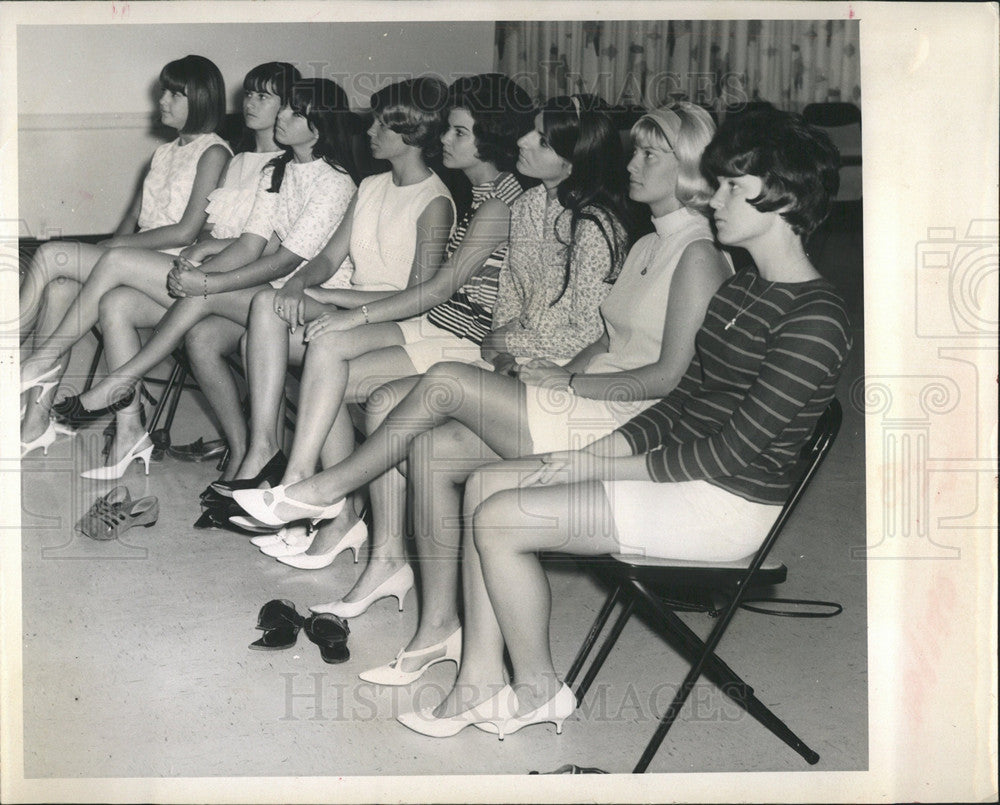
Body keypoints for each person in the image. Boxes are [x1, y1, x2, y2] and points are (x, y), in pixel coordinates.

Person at [392, 107, 853, 738]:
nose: (713, 198)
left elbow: (730, 452)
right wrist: (602, 448)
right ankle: (478, 681)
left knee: (499, 518)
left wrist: (596, 461)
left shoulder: (817, 319)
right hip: (679, 479)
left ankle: (537, 690)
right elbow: (680, 402)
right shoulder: (743, 291)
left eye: (732, 189)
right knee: (483, 484)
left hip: (724, 504)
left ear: (786, 199)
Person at [358, 102, 733, 686]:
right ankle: (437, 629)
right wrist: (554, 369)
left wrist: (571, 381)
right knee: (431, 454)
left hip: (626, 419)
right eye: (634, 151)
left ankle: (323, 489)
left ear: (688, 167)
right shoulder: (648, 243)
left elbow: (669, 379)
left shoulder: (700, 256)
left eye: (649, 154)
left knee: (446, 381)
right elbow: (607, 337)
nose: (631, 163)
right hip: (589, 396)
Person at [231, 94, 633, 587]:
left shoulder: (512, 207)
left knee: (349, 376)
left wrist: (354, 314)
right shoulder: (516, 202)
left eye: (458, 131)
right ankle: (323, 502)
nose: (445, 137)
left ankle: (335, 510)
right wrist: (505, 340)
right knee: (325, 360)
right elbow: (509, 303)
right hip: (468, 334)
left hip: (472, 342)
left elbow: (462, 296)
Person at [51, 77, 362, 479]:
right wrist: (199, 273)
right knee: (200, 338)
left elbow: (285, 262)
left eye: (293, 111)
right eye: (283, 107)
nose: (282, 115)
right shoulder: (277, 169)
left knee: (200, 296)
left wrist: (207, 283)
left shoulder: (334, 182)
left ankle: (120, 383)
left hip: (314, 303)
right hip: (268, 295)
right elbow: (252, 245)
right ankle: (239, 450)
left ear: (318, 127)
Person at [195, 75, 455, 520]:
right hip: (350, 305)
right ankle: (266, 452)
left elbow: (417, 297)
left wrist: (327, 299)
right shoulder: (371, 185)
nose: (369, 131)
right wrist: (298, 284)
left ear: (410, 136)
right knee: (267, 307)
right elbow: (330, 257)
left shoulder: (435, 202)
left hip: (395, 322)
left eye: (380, 126)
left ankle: (301, 484)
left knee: (279, 330)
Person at [19, 55, 231, 453]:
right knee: (62, 287)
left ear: (200, 99)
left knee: (50, 256)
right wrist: (102, 254)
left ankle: (18, 354)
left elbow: (186, 230)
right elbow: (133, 218)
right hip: (137, 269)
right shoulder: (165, 153)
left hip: (175, 275)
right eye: (163, 91)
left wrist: (110, 249)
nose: (162, 100)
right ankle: (35, 422)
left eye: (174, 93)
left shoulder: (214, 153)